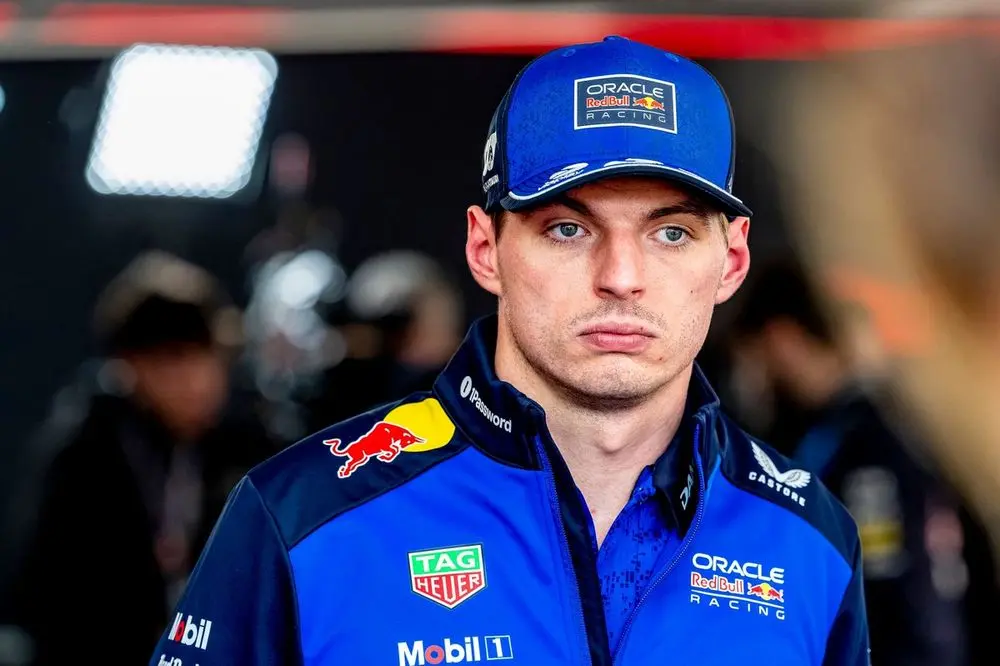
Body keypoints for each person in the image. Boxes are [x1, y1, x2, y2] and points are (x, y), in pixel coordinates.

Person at [148, 36, 868, 666]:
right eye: (568, 229)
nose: (621, 277)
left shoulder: (811, 540)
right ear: (484, 249)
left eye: (670, 233)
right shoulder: (303, 518)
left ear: (732, 261)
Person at [9, 252, 277, 665]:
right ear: (131, 366)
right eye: (175, 363)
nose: (199, 383)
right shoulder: (84, 455)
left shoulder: (241, 442)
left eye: (209, 360)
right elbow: (46, 597)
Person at [729, 258, 970, 666]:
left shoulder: (868, 443)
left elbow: (881, 580)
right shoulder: (861, 424)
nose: (752, 378)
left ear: (781, 338)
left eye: (754, 357)